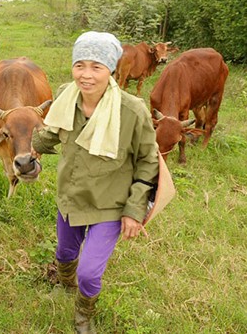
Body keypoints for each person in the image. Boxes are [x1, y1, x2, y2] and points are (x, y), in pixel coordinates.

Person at [32, 31, 159, 333]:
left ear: (112, 69)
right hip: (71, 197)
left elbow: (148, 161)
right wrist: (32, 145)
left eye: (96, 67)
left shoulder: (132, 110)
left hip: (110, 206)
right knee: (64, 254)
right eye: (80, 65)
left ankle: (83, 315)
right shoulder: (67, 96)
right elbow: (52, 132)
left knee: (88, 273)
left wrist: (134, 209)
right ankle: (64, 285)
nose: (86, 75)